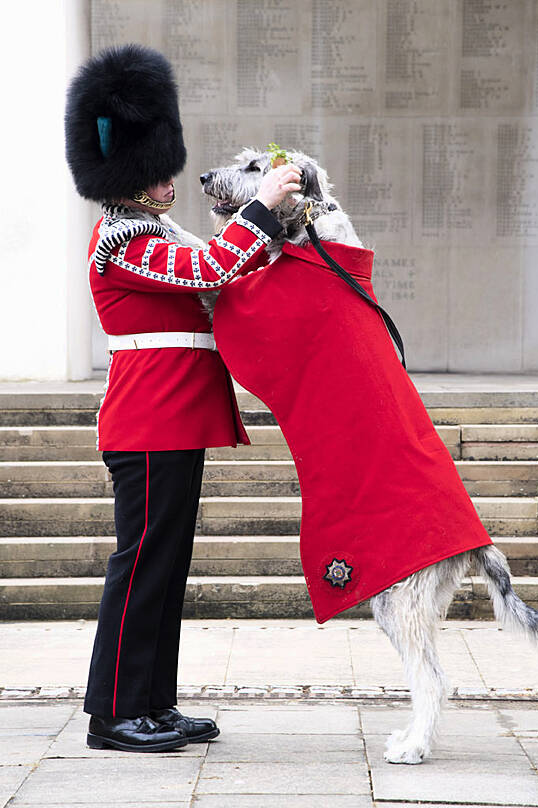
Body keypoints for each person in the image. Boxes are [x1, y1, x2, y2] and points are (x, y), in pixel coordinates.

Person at [64, 43, 301, 753]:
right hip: (147, 419)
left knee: (164, 570)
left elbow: (232, 269)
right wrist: (259, 205)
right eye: (158, 168)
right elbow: (212, 267)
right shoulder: (122, 239)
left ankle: (152, 702)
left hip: (175, 418)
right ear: (134, 173)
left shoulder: (156, 227)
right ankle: (112, 713)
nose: (170, 179)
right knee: (139, 568)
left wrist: (286, 225)